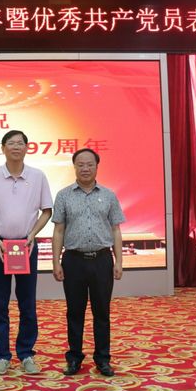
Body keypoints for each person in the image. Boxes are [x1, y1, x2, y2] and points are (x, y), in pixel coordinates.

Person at [0, 130, 53, 375]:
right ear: (3, 148)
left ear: (27, 148)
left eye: (20, 143)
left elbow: (47, 211)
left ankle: (26, 353)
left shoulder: (38, 176)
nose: (16, 147)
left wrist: (32, 235)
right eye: (11, 143)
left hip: (25, 246)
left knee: (27, 302)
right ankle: (2, 355)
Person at [51, 148, 125, 377]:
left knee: (102, 312)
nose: (85, 168)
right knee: (75, 312)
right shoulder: (63, 195)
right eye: (80, 164)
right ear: (74, 167)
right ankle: (74, 358)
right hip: (73, 261)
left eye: (90, 164)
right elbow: (59, 230)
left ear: (97, 166)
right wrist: (56, 262)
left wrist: (119, 261)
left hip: (102, 260)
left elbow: (116, 229)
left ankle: (103, 359)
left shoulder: (109, 195)